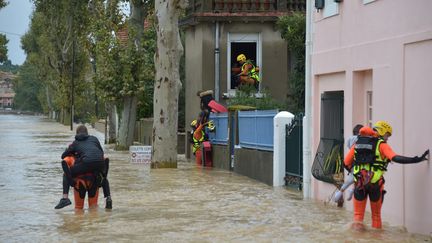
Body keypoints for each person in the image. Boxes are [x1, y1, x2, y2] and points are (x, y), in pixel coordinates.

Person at [344, 121, 429, 230]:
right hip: (376, 184)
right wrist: (415, 160)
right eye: (387, 135)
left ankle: (357, 239)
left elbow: (346, 162)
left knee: (358, 217)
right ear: (381, 132)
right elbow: (395, 158)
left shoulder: (357, 144)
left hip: (360, 183)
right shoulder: (382, 145)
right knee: (376, 216)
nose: (387, 138)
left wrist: (356, 172)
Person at [55, 125, 112, 209]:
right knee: (93, 207)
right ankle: (108, 197)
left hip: (82, 173)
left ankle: (65, 198)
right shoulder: (94, 139)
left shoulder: (75, 143)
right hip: (99, 167)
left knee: (78, 208)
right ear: (87, 133)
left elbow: (63, 156)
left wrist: (73, 152)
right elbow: (101, 153)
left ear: (77, 134)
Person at [333, 124, 364, 203]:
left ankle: (342, 193)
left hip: (353, 164)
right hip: (362, 164)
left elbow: (349, 148)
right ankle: (349, 191)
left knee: (351, 180)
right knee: (360, 179)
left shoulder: (350, 140)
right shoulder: (362, 140)